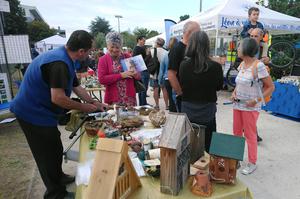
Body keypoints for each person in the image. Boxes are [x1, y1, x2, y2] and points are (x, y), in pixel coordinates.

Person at [10, 30, 107, 199]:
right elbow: (58, 98)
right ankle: (55, 194)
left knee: (55, 148)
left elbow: (77, 87)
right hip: (31, 112)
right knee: (46, 154)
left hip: (41, 111)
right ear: (81, 51)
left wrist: (94, 102)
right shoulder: (59, 63)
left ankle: (59, 177)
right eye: (90, 51)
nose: (91, 54)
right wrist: (85, 108)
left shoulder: (67, 58)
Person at [231, 38, 274, 175]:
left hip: (251, 107)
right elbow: (239, 83)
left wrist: (256, 100)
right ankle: (236, 159)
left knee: (250, 135)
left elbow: (270, 87)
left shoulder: (258, 66)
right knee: (237, 133)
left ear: (246, 49)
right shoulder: (242, 65)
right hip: (237, 104)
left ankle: (252, 162)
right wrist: (234, 92)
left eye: (239, 47)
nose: (237, 49)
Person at [180, 31, 223, 152]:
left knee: (189, 146)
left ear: (191, 45)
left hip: (188, 111)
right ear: (207, 45)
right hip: (207, 111)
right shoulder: (215, 66)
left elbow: (182, 85)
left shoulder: (183, 65)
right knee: (209, 145)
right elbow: (219, 86)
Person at [98, 32, 141, 106]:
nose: (114, 50)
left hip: (129, 98)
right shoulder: (103, 59)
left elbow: (138, 77)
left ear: (121, 47)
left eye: (117, 47)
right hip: (114, 99)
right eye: (112, 47)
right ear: (107, 46)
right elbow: (102, 79)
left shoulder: (128, 57)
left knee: (132, 117)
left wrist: (136, 74)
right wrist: (121, 75)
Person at [168, 21, 200, 112]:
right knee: (184, 122)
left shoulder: (194, 48)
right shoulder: (177, 49)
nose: (200, 35)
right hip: (183, 94)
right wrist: (180, 93)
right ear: (190, 32)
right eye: (198, 32)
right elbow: (171, 74)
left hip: (193, 94)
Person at [159, 37, 178, 112]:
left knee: (170, 97)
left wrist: (160, 81)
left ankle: (172, 111)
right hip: (176, 79)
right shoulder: (179, 54)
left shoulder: (165, 55)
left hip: (167, 79)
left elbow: (161, 69)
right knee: (177, 97)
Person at [150, 38, 168, 109]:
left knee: (155, 89)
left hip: (154, 73)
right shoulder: (166, 52)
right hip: (163, 73)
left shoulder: (152, 51)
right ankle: (167, 105)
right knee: (164, 89)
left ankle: (157, 105)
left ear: (157, 43)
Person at [133, 35, 149, 106]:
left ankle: (142, 103)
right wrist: (148, 55)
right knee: (143, 89)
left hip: (140, 70)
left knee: (141, 89)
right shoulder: (139, 49)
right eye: (143, 40)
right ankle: (143, 104)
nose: (144, 42)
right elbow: (142, 61)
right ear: (139, 40)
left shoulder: (136, 49)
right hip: (142, 70)